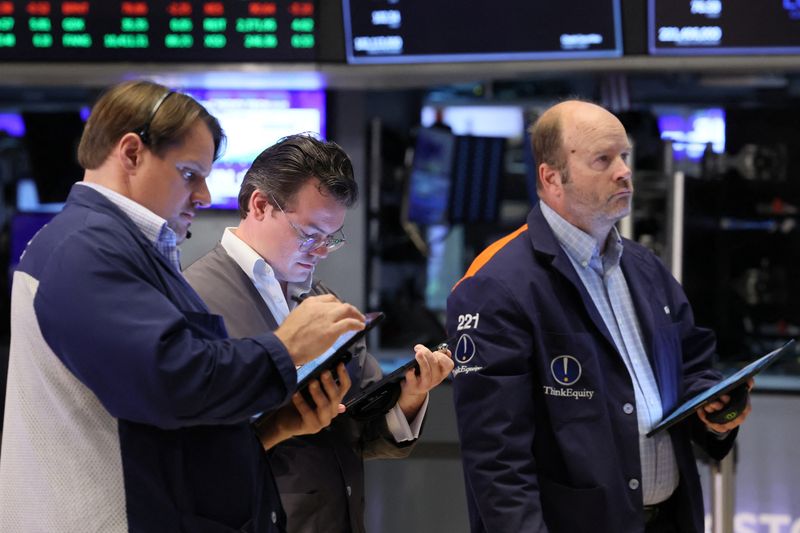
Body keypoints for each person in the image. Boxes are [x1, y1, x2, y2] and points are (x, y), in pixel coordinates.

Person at [0, 81, 364, 533]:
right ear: (131, 153)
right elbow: (171, 380)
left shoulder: (120, 248)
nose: (205, 196)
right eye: (190, 173)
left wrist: (274, 429)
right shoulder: (85, 248)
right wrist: (285, 348)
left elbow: (168, 421)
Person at [446, 99, 751, 533]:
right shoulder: (496, 285)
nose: (624, 171)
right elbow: (496, 457)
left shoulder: (644, 268)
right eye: (603, 160)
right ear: (551, 178)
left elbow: (691, 366)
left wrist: (716, 407)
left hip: (669, 519)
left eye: (624, 155)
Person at [183, 133, 454, 533]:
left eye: (332, 238)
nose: (320, 251)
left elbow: (360, 428)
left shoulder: (320, 297)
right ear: (259, 205)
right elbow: (192, 451)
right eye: (310, 234)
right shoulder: (195, 300)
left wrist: (411, 396)